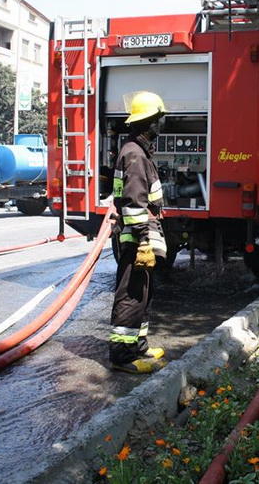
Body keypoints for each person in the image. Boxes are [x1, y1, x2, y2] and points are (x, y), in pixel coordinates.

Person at [109, 91, 168, 374]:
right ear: (150, 122)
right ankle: (122, 355)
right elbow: (133, 203)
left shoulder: (138, 151)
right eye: (159, 119)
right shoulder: (134, 154)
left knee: (143, 292)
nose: (162, 124)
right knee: (132, 295)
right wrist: (144, 239)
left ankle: (138, 345)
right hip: (136, 238)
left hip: (140, 236)